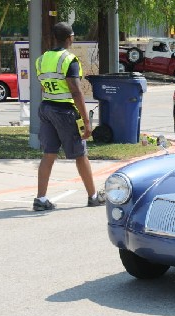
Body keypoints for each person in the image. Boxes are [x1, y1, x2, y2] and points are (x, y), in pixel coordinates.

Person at [33, 22, 105, 211]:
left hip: (46, 107)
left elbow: (44, 86)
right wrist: (86, 121)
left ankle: (40, 199)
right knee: (81, 155)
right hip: (65, 111)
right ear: (69, 38)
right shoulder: (69, 60)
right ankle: (93, 196)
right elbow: (75, 91)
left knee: (48, 154)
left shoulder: (41, 60)